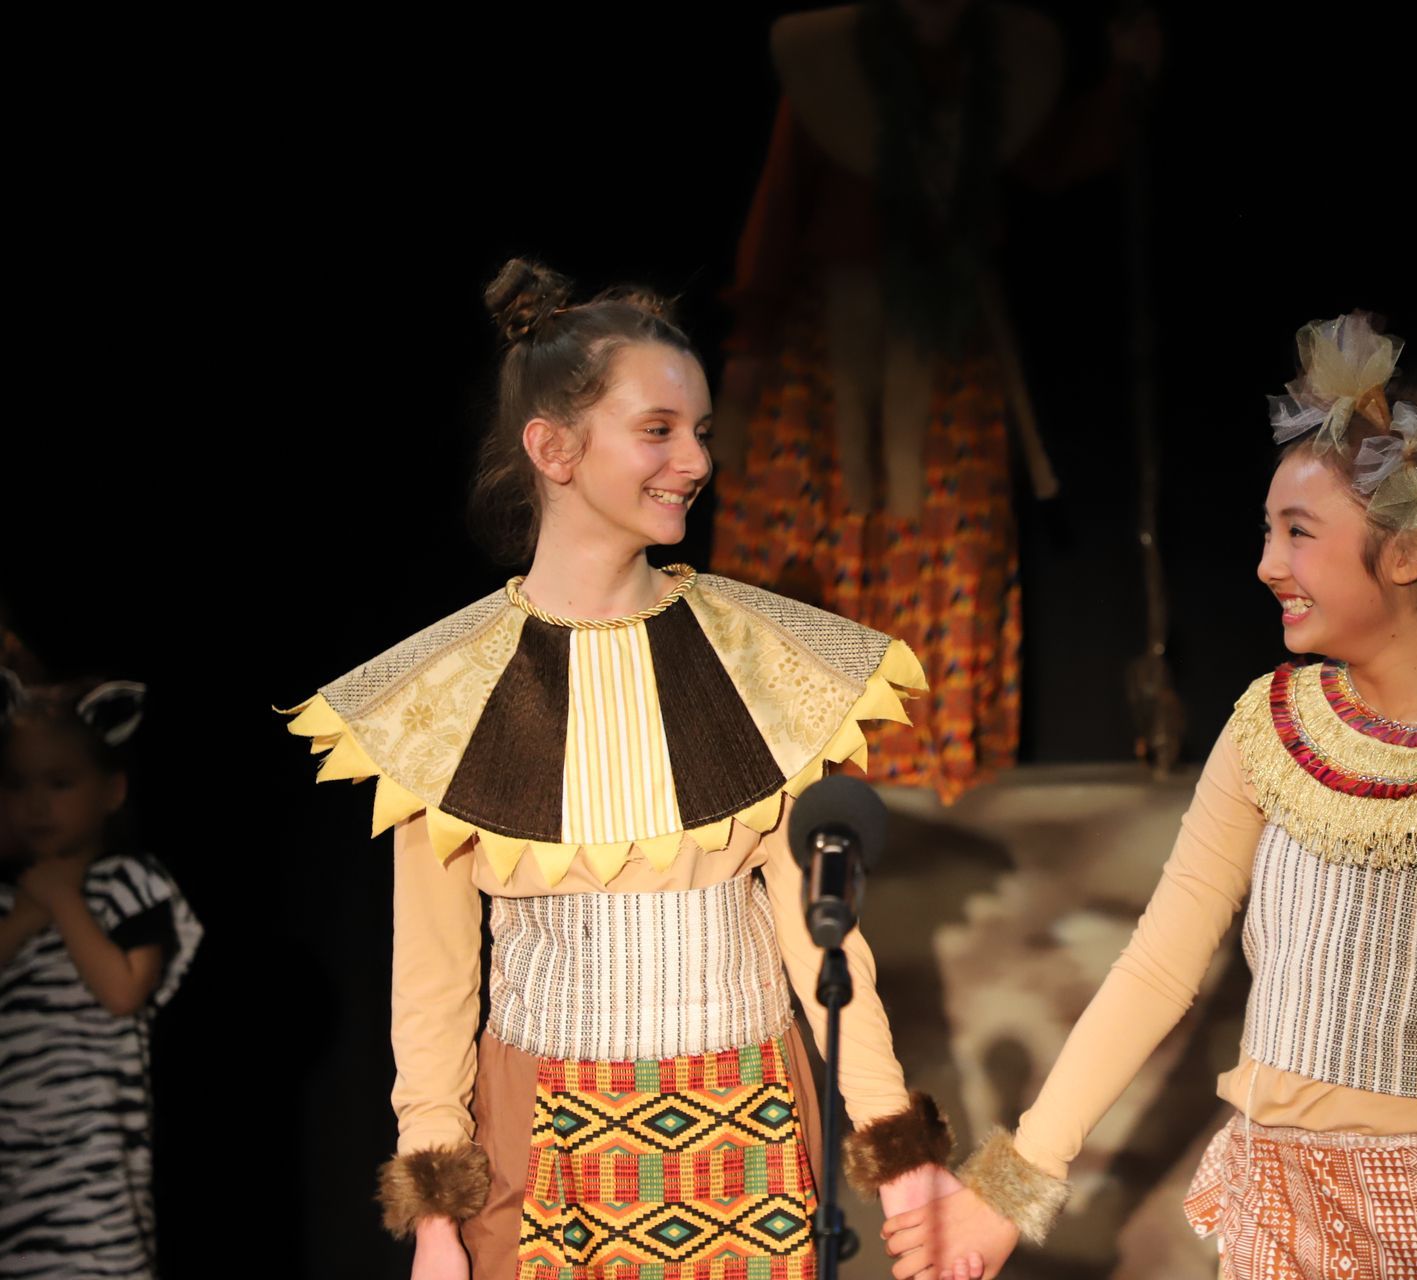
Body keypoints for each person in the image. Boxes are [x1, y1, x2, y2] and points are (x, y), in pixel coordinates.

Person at [884, 314, 1417, 1280]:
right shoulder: (1276, 726)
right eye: (1267, 531)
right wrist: (1012, 1185)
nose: (1266, 564)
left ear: (1409, 552)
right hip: (1280, 1211)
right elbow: (1157, 967)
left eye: (1299, 533)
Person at [280, 260, 961, 1280]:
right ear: (552, 448)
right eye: (658, 429)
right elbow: (432, 982)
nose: (695, 459)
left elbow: (823, 940)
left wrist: (898, 1151)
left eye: (702, 432)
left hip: (752, 1130)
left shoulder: (759, 660)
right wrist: (435, 1221)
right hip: (542, 1145)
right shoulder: (445, 694)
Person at [708, 0, 1161, 802]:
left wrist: (1125, 78)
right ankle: (797, 759)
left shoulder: (987, 84)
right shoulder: (834, 80)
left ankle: (926, 759)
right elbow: (778, 210)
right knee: (814, 548)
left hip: (943, 348)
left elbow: (1052, 152)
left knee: (949, 543)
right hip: (828, 359)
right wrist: (747, 349)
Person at [0, 674, 203, 1278]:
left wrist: (64, 902)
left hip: (95, 1161)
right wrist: (30, 911)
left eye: (59, 783)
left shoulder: (131, 886)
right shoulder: (9, 898)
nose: (37, 805)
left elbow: (123, 992)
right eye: (16, 784)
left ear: (110, 790)